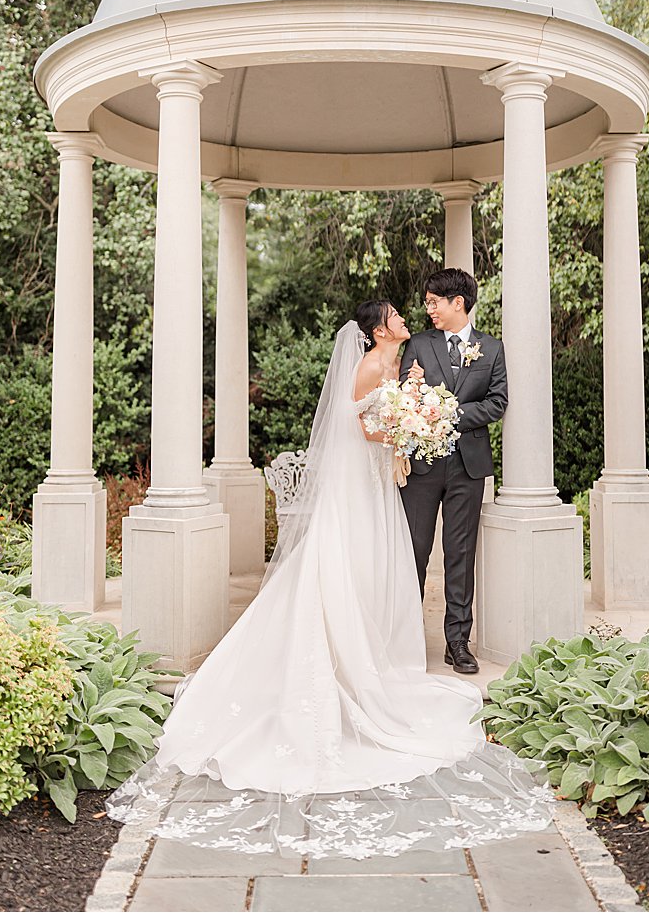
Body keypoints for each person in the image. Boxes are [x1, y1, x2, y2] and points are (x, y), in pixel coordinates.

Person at [106, 303, 551, 860]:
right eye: (394, 314)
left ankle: (365, 654)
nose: (407, 316)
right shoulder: (368, 366)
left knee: (370, 574)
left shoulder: (397, 362)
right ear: (378, 329)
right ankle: (341, 662)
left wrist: (415, 414)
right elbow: (358, 426)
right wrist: (402, 425)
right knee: (344, 569)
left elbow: (401, 411)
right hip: (358, 490)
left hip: (382, 486)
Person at [398, 267, 507, 675]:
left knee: (459, 555)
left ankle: (457, 643)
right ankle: (405, 636)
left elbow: (497, 402)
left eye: (434, 302)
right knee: (414, 551)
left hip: (469, 466)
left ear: (457, 302)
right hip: (423, 465)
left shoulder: (492, 349)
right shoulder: (419, 345)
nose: (429, 310)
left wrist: (450, 412)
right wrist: (418, 398)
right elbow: (405, 396)